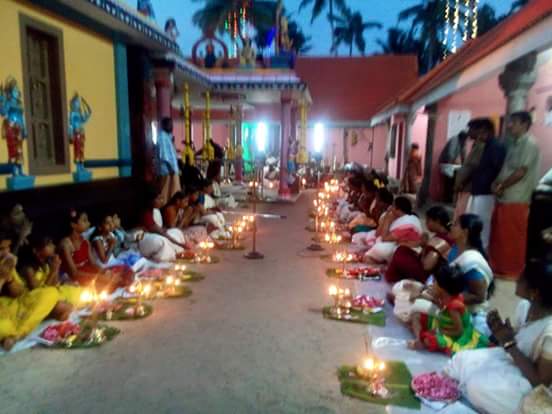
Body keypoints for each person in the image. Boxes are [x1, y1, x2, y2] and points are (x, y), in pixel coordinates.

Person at [446, 258, 552, 414]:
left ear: (534, 292)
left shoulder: (550, 330)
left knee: (477, 385)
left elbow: (541, 383)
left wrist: (508, 342)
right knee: (461, 359)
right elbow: (520, 340)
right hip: (513, 359)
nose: (516, 280)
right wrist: (502, 333)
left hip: (531, 386)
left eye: (521, 279)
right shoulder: (524, 306)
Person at [490, 111, 541, 279]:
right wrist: (497, 184)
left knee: (512, 236)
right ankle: (499, 268)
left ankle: (512, 271)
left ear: (525, 124)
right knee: (500, 236)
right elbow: (506, 169)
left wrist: (502, 185)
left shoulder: (530, 144)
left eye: (514, 122)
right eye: (510, 122)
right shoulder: (513, 144)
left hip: (516, 198)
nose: (509, 125)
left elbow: (521, 172)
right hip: (503, 196)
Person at [0, 232, 67, 351]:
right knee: (3, 327)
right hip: (3, 310)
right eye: (1, 249)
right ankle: (17, 331)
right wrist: (1, 279)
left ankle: (16, 334)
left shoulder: (6, 263)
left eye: (8, 248)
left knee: (50, 293)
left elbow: (19, 293)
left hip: (14, 306)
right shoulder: (28, 267)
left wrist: (9, 278)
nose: (6, 252)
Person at [409, 263, 490, 355]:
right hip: (444, 323)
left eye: (435, 282)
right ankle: (419, 338)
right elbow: (439, 305)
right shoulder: (445, 297)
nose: (432, 284)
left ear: (442, 288)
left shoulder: (453, 307)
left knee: (429, 340)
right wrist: (420, 296)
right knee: (417, 315)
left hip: (454, 336)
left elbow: (459, 331)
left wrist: (438, 331)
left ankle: (421, 342)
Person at [463, 118, 506, 249]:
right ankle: (475, 250)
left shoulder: (496, 147)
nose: (470, 133)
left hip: (486, 193)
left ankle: (481, 253)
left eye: (473, 130)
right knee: (475, 224)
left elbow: (498, 170)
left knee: (482, 226)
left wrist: (495, 186)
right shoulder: (486, 146)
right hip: (478, 191)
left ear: (483, 130)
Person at [59, 210, 126, 292]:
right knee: (105, 285)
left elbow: (93, 263)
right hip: (74, 277)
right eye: (84, 220)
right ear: (73, 225)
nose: (89, 223)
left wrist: (104, 272)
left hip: (87, 271)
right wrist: (99, 277)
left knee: (116, 277)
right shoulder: (66, 244)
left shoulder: (85, 241)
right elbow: (74, 273)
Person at [386, 206, 453, 284]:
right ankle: (396, 277)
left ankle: (394, 278)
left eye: (428, 221)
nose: (426, 224)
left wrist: (424, 246)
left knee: (400, 254)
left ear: (437, 221)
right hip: (423, 265)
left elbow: (426, 266)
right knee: (403, 249)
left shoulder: (442, 241)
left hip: (425, 275)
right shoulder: (443, 235)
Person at [17, 235, 83, 307]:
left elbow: (55, 284)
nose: (53, 246)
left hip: (50, 293)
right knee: (56, 297)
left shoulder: (46, 262)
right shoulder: (28, 268)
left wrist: (56, 268)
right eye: (49, 244)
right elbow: (39, 293)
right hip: (36, 300)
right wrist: (53, 271)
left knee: (78, 290)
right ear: (36, 250)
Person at [363, 196, 423, 263]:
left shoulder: (407, 222)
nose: (391, 208)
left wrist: (387, 221)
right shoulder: (398, 218)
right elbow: (378, 233)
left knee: (378, 248)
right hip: (396, 245)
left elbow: (384, 238)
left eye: (393, 206)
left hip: (407, 249)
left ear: (398, 209)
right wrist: (386, 217)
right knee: (373, 239)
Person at [137, 189, 189, 262]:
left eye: (162, 198)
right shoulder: (145, 213)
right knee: (162, 241)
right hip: (140, 238)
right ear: (151, 200)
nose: (162, 201)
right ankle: (164, 259)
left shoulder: (154, 210)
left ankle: (178, 253)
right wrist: (180, 244)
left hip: (154, 234)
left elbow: (161, 230)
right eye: (159, 198)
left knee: (176, 231)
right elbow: (161, 232)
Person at [89, 215, 134, 286]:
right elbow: (104, 260)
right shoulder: (97, 240)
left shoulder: (111, 234)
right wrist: (111, 245)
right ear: (100, 227)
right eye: (107, 223)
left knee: (129, 271)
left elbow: (115, 251)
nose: (111, 225)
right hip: (104, 266)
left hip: (113, 261)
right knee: (120, 276)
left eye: (111, 222)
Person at [157, 117, 181, 202]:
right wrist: (171, 168)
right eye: (169, 124)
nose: (171, 126)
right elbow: (164, 155)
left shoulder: (168, 136)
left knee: (174, 193)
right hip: (167, 171)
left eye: (172, 124)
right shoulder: (162, 136)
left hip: (172, 170)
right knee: (166, 194)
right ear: (163, 125)